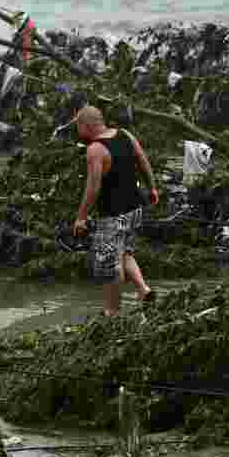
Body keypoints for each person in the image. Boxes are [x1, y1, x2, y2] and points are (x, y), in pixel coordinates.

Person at [72, 106, 160, 316]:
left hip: (113, 215)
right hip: (134, 209)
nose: (77, 132)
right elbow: (143, 160)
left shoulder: (95, 148)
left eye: (78, 127)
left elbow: (93, 187)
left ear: (86, 125)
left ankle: (112, 311)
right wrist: (153, 187)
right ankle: (143, 290)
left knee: (110, 264)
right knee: (125, 252)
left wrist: (81, 217)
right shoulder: (125, 134)